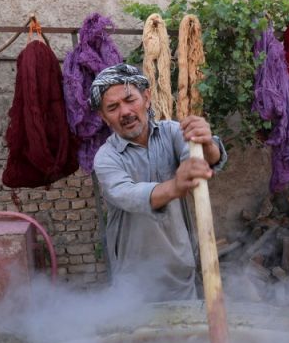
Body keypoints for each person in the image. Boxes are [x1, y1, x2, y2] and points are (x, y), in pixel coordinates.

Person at [90, 63, 227, 301]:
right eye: (113, 107)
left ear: (147, 98)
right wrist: (175, 186)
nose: (125, 112)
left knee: (187, 336)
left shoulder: (173, 132)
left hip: (181, 274)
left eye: (130, 100)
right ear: (104, 117)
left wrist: (207, 144)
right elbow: (128, 195)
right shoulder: (106, 158)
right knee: (139, 338)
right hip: (133, 284)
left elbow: (203, 160)